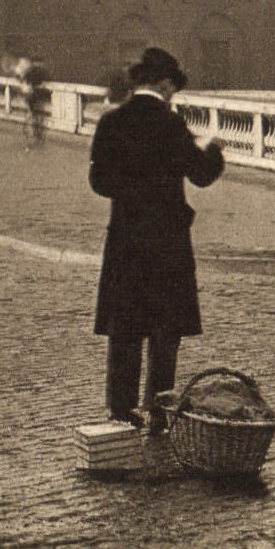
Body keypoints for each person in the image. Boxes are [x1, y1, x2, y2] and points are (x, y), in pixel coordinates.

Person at [89, 46, 225, 431]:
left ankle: (120, 409)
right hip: (167, 241)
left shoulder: (111, 122)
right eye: (172, 89)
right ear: (164, 85)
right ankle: (158, 409)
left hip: (126, 238)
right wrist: (213, 149)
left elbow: (99, 182)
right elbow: (200, 174)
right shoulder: (171, 124)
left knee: (125, 327)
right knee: (165, 329)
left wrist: (132, 190)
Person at [19, 59, 50, 148]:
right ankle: (33, 132)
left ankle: (30, 130)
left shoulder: (27, 72)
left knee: (30, 113)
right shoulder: (34, 72)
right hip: (31, 94)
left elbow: (23, 80)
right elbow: (37, 82)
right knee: (32, 113)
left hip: (27, 94)